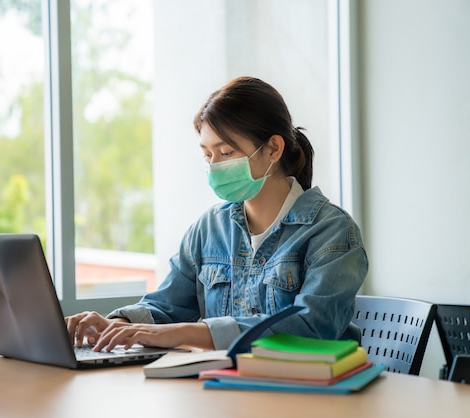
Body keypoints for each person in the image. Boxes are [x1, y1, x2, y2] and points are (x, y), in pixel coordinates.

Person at [65, 76, 368, 352]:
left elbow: (311, 328)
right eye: (207, 155)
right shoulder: (209, 228)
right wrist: (119, 325)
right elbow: (168, 306)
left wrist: (185, 333)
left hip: (311, 398)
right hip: (225, 390)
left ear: (274, 149)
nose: (215, 166)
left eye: (226, 153)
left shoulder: (332, 232)